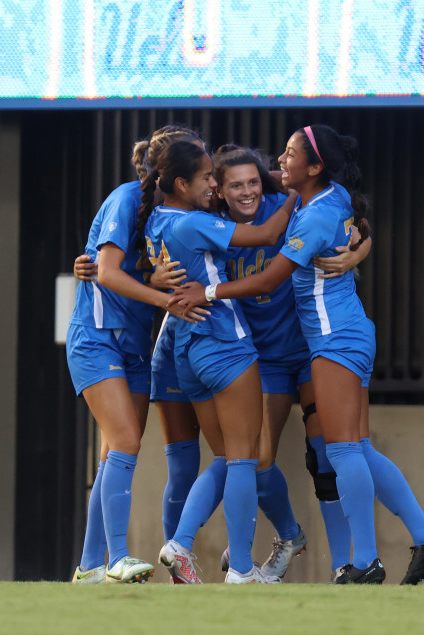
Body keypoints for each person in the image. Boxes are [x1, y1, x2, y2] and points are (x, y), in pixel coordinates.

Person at [170, 125, 424, 585]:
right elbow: (353, 221)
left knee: (339, 451)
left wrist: (206, 290)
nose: (278, 162)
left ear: (315, 167)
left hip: (331, 339)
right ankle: (423, 537)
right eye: (234, 183)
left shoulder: (308, 212)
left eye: (288, 154)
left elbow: (268, 278)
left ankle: (362, 562)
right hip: (339, 335)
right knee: (353, 449)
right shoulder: (318, 197)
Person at [208, 144, 370, 581]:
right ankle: (288, 536)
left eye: (253, 183)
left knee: (326, 458)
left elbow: (350, 217)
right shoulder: (208, 227)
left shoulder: (287, 203)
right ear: (218, 191)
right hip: (267, 359)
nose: (247, 192)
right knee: (258, 462)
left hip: (312, 348)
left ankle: (344, 568)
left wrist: (360, 249)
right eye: (235, 186)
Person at [143, 140, 296, 583]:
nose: (214, 184)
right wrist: (293, 197)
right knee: (244, 460)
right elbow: (266, 236)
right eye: (208, 178)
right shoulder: (194, 223)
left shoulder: (155, 220)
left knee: (229, 456)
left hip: (187, 352)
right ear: (180, 183)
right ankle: (242, 570)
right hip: (224, 343)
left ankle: (181, 543)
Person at [65, 125, 209, 584]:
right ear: (176, 175)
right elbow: (106, 272)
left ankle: (88, 567)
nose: (211, 179)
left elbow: (125, 272)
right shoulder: (127, 200)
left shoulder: (174, 215)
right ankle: (118, 559)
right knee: (124, 441)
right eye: (202, 168)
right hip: (97, 338)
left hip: (133, 344)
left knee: (115, 453)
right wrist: (165, 298)